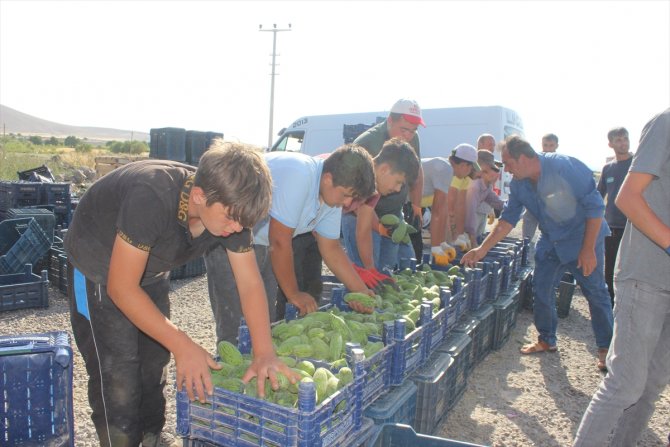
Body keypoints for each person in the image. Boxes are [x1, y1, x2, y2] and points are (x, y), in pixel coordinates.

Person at [64, 141, 298, 447]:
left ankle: (150, 436)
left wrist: (264, 352)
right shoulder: (151, 196)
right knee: (118, 373)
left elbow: (250, 284)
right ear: (199, 197)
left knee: (153, 361)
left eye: (243, 222)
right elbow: (120, 288)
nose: (237, 228)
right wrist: (184, 345)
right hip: (97, 266)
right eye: (231, 219)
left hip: (149, 267)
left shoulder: (231, 210)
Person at [461, 135, 613, 371]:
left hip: (583, 238)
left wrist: (588, 250)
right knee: (541, 288)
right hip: (551, 240)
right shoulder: (520, 184)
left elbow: (596, 209)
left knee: (596, 292)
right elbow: (507, 220)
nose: (507, 170)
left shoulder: (566, 167)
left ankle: (606, 349)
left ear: (522, 158)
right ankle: (546, 339)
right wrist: (482, 249)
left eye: (509, 164)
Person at [205, 144, 376, 343]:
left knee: (262, 320)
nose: (348, 203)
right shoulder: (301, 175)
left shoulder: (332, 197)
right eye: (347, 195)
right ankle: (229, 366)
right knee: (234, 323)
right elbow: (279, 242)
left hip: (260, 243)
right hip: (228, 234)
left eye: (353, 197)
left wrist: (360, 290)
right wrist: (294, 293)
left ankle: (258, 362)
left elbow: (331, 248)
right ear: (328, 179)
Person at [573, 108, 670, 446]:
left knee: (652, 385)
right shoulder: (667, 123)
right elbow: (628, 198)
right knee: (626, 384)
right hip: (646, 275)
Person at [354, 98, 425, 267]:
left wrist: (416, 205)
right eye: (404, 130)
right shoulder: (367, 143)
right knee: (368, 264)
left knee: (390, 266)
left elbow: (417, 171)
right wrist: (377, 227)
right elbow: (358, 202)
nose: (408, 136)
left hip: (393, 213)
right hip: (361, 212)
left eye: (413, 131)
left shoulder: (412, 138)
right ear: (390, 120)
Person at [341, 138, 420, 273]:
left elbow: (364, 228)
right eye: (398, 182)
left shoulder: (372, 192)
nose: (398, 189)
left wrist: (371, 269)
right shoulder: (357, 174)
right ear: (384, 169)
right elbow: (361, 232)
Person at [422, 144, 480, 263]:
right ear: (464, 165)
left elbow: (443, 209)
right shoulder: (445, 169)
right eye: (471, 168)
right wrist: (436, 247)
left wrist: (442, 242)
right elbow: (437, 211)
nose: (470, 172)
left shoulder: (447, 169)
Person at [596, 127, 632, 307]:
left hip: (634, 227)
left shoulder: (637, 165)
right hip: (611, 227)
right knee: (609, 270)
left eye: (625, 139)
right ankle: (611, 307)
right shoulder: (608, 169)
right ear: (610, 144)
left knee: (630, 270)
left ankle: (627, 306)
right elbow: (598, 196)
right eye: (618, 140)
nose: (623, 143)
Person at [521, 133, 559, 248]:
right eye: (545, 145)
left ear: (557, 146)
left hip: (551, 204)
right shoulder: (535, 160)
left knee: (549, 234)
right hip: (534, 201)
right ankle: (524, 250)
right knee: (526, 234)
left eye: (551, 145)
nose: (548, 148)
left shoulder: (560, 162)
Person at [464, 150, 505, 246]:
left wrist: (518, 203)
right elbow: (470, 213)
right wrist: (473, 240)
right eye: (491, 169)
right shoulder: (475, 185)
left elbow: (497, 202)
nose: (494, 173)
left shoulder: (487, 185)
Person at [447, 144, 481, 252]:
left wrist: (460, 234)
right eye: (470, 166)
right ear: (463, 165)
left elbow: (461, 206)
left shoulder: (464, 179)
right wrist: (453, 236)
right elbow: (450, 209)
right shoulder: (452, 176)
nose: (471, 170)